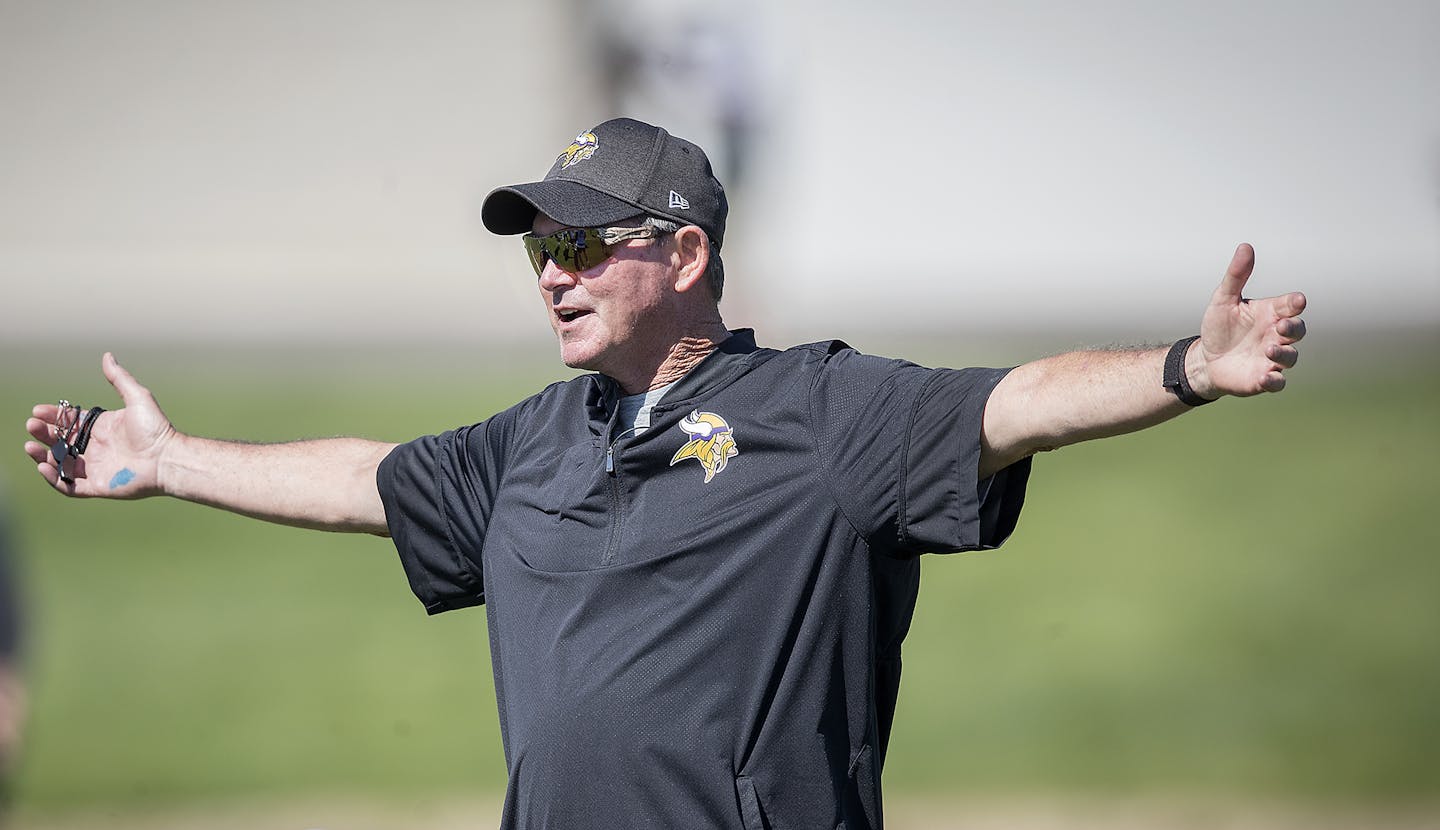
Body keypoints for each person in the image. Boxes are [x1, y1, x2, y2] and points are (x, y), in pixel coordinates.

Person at [22, 117, 1306, 829]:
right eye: (537, 249)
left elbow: (1017, 403)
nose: (554, 271)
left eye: (581, 240)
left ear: (685, 255)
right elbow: (371, 480)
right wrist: (171, 455)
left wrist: (1191, 363)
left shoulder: (824, 412)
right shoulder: (534, 437)